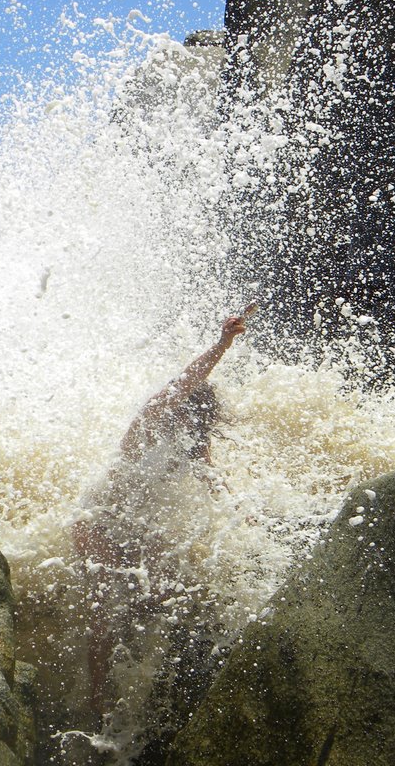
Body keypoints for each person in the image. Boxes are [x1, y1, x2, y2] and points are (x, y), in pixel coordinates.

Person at [72, 304, 254, 722]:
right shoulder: (145, 425)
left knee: (164, 598)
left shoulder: (192, 447)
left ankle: (148, 695)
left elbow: (215, 483)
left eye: (193, 419)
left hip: (138, 530)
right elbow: (180, 384)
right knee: (103, 611)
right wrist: (222, 345)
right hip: (97, 519)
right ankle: (97, 704)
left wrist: (245, 520)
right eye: (182, 410)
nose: (182, 418)